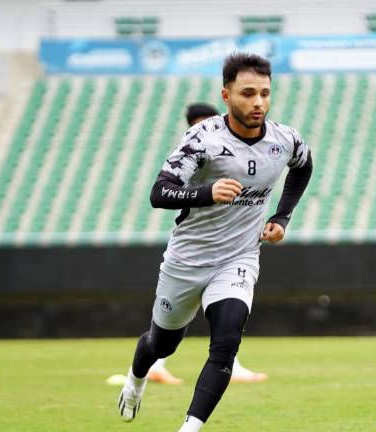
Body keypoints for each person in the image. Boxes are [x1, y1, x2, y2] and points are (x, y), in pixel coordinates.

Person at [117, 53, 313, 432]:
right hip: (187, 260)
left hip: (238, 257)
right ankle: (136, 380)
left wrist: (282, 216)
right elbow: (160, 192)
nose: (258, 102)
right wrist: (206, 193)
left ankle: (189, 428)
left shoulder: (285, 139)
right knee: (161, 344)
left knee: (226, 341)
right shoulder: (202, 138)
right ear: (226, 95)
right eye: (248, 93)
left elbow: (303, 167)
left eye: (264, 93)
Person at [145, 102, 269, 385]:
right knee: (174, 316)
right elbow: (161, 192)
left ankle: (230, 364)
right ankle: (152, 364)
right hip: (196, 244)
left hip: (229, 244)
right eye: (198, 123)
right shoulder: (193, 154)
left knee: (225, 310)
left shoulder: (231, 151)